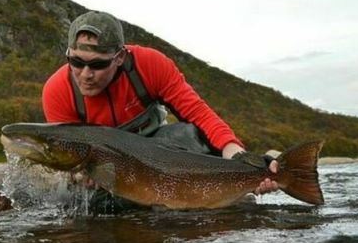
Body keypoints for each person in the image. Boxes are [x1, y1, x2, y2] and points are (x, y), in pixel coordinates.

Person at [42, 11, 278, 204]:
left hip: (157, 152)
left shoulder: (151, 64)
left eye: (98, 65)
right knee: (72, 196)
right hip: (107, 166)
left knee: (187, 134)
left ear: (120, 57)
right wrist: (80, 175)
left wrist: (238, 155)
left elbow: (199, 115)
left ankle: (238, 187)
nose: (85, 74)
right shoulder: (57, 91)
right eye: (76, 62)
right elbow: (66, 154)